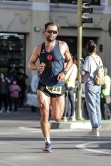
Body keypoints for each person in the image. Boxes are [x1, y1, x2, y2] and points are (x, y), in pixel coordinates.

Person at [28, 21, 73, 152]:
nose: (52, 34)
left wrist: (64, 72)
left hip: (59, 84)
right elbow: (30, 63)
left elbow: (70, 60)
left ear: (57, 33)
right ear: (44, 32)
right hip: (44, 84)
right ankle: (47, 141)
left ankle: (53, 109)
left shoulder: (63, 45)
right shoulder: (38, 48)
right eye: (49, 31)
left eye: (54, 32)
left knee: (57, 117)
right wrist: (37, 67)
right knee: (43, 111)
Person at [80, 40, 103, 137]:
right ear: (96, 49)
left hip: (90, 84)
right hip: (98, 84)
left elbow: (82, 72)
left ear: (88, 49)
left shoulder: (89, 58)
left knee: (91, 107)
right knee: (97, 106)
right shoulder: (98, 58)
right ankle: (97, 127)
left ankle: (94, 129)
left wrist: (81, 63)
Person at [63, 55, 78, 121]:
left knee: (65, 101)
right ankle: (72, 116)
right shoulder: (75, 67)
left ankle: (64, 116)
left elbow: (63, 75)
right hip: (72, 85)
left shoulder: (65, 65)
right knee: (72, 101)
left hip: (65, 85)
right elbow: (75, 76)